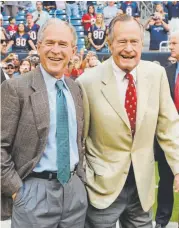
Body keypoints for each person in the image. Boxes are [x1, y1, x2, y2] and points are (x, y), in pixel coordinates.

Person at [77, 15, 179, 228]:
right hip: (102, 189)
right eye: (122, 41)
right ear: (110, 43)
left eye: (134, 42)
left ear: (142, 43)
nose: (129, 48)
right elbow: (80, 139)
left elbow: (169, 125)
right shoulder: (86, 82)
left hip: (141, 188)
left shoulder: (156, 74)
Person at [1, 18, 88, 227]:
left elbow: (79, 141)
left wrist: (81, 182)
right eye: (49, 43)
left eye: (62, 44)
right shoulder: (16, 88)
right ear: (38, 47)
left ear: (73, 50)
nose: (55, 50)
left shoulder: (75, 89)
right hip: (33, 192)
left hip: (74, 192)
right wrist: (16, 191)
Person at [154, 31, 179, 228]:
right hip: (168, 137)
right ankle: (162, 222)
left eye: (174, 43)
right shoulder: (166, 72)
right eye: (170, 42)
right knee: (165, 181)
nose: (171, 46)